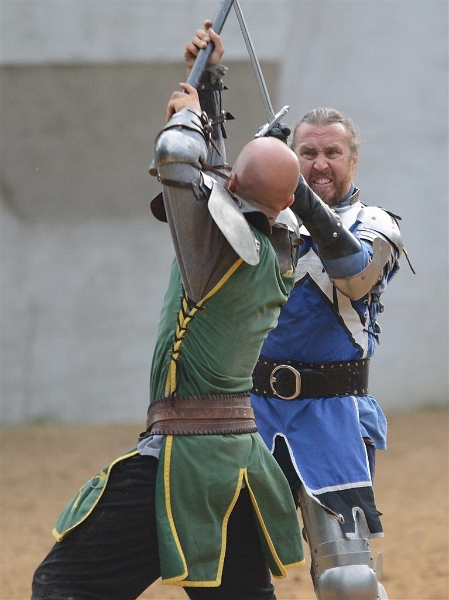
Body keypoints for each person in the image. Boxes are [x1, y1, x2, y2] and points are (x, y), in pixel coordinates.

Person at [31, 23, 305, 600]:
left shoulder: (213, 252)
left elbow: (178, 159)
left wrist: (185, 117)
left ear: (234, 182)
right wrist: (208, 81)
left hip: (182, 459)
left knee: (65, 585)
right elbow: (224, 189)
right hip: (239, 460)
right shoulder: (278, 252)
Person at [251, 106, 408, 600]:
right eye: (307, 152)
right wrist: (251, 172)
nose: (319, 163)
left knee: (347, 581)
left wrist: (294, 189)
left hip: (333, 415)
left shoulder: (375, 224)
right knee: (234, 572)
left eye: (332, 152)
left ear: (353, 160)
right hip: (252, 412)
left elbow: (355, 276)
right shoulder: (261, 221)